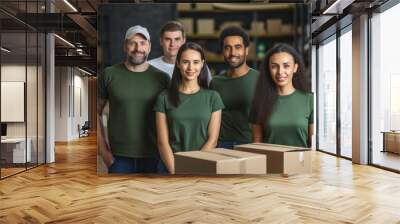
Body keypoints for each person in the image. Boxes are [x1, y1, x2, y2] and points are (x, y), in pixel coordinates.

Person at [97, 25, 170, 173]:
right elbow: (94, 112)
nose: (138, 48)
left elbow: (171, 117)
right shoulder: (109, 74)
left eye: (143, 43)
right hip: (119, 159)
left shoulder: (162, 78)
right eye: (132, 43)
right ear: (125, 46)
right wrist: (105, 154)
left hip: (154, 157)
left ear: (149, 47)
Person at [154, 42, 224, 174]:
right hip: (170, 166)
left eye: (196, 62)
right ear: (178, 64)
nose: (191, 67)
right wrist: (175, 171)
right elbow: (162, 142)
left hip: (203, 165)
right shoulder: (164, 98)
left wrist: (194, 167)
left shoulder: (213, 97)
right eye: (186, 62)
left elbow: (212, 140)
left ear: (202, 64)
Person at [250, 43, 313, 148]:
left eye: (286, 66)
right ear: (268, 70)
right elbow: (257, 146)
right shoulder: (259, 103)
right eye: (274, 66)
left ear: (295, 68)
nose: (280, 71)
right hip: (270, 163)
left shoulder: (310, 100)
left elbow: (313, 145)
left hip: (301, 163)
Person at [210, 26, 259, 149]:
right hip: (220, 145)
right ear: (222, 51)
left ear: (246, 50)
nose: (232, 53)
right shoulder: (215, 82)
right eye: (227, 48)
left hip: (249, 144)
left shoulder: (260, 79)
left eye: (238, 47)